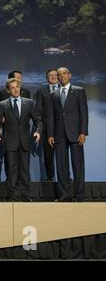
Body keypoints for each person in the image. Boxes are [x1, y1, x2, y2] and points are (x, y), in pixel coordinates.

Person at [0, 78, 42, 202]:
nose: (16, 89)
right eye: (13, 88)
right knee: (12, 171)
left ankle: (26, 195)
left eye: (17, 87)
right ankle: (14, 196)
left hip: (25, 141)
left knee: (25, 170)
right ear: (8, 90)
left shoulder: (29, 102)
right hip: (10, 142)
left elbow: (38, 121)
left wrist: (37, 132)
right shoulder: (3, 104)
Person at [47, 67, 88, 202]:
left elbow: (84, 113)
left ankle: (79, 195)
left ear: (69, 75)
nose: (61, 76)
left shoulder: (79, 91)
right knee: (61, 166)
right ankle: (65, 195)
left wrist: (83, 132)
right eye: (59, 75)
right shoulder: (54, 94)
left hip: (75, 133)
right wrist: (50, 134)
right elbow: (51, 116)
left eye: (64, 74)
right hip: (59, 134)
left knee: (78, 165)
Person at [34, 68, 59, 181]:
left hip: (63, 128)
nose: (53, 77)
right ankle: (50, 178)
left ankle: (65, 177)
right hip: (47, 129)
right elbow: (38, 110)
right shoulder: (41, 91)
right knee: (48, 155)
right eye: (50, 75)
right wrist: (40, 127)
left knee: (62, 155)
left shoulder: (64, 90)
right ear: (46, 78)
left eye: (55, 75)